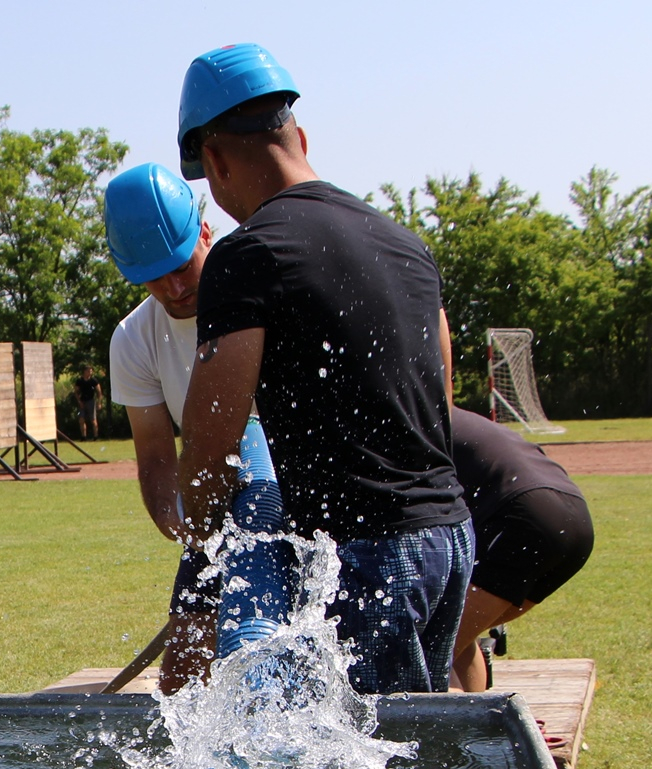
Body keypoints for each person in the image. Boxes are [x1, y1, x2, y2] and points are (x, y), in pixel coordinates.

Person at [175, 43, 472, 695]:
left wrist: (204, 537)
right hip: (449, 537)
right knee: (414, 740)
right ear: (299, 137)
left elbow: (211, 441)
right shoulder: (406, 243)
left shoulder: (248, 254)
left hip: (368, 555)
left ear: (215, 160)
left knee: (365, 756)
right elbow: (441, 402)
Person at [105, 162, 224, 693]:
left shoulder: (260, 295)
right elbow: (155, 456)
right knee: (181, 681)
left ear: (205, 233)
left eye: (182, 265)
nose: (175, 288)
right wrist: (175, 521)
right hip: (217, 508)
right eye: (155, 276)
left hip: (305, 502)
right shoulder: (133, 339)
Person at [449, 407, 595, 690]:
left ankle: (452, 718)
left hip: (524, 514)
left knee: (430, 655)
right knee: (457, 638)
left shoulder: (399, 420)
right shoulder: (432, 408)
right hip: (575, 515)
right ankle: (476, 717)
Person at [73, 365, 103, 439]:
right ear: (84, 371)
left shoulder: (93, 381)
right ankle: (83, 436)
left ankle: (96, 436)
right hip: (82, 401)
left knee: (93, 419)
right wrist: (79, 401)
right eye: (88, 371)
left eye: (91, 371)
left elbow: (99, 392)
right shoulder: (79, 381)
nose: (90, 372)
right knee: (81, 419)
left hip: (91, 401)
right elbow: (76, 392)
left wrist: (99, 402)